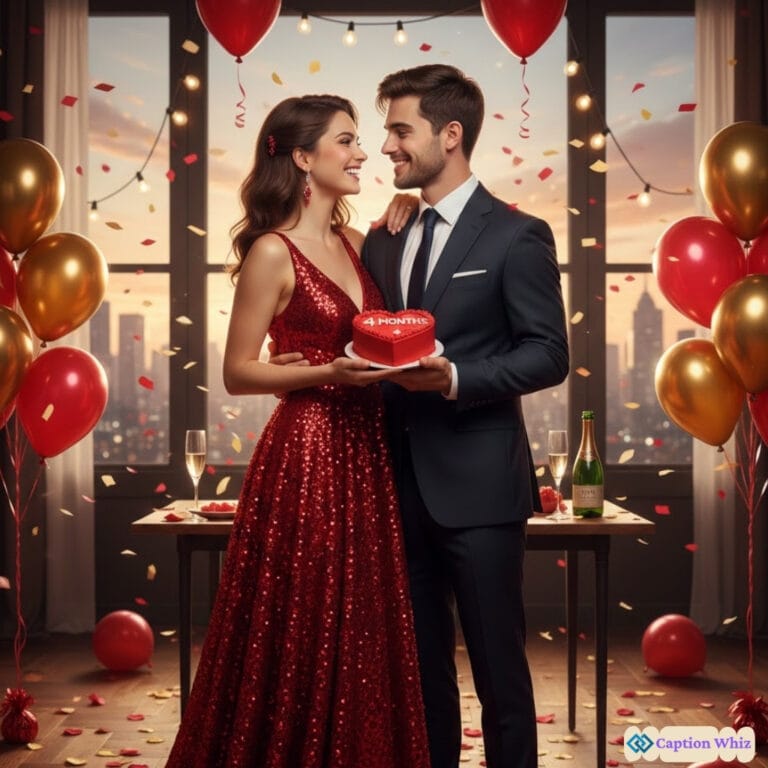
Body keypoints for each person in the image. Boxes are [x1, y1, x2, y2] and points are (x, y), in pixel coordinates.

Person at [165, 94, 430, 768]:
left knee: (364, 618)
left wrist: (409, 212)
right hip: (308, 454)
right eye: (347, 141)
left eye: (361, 140)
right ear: (305, 157)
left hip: (369, 449)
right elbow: (236, 372)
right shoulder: (270, 254)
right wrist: (323, 375)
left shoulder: (360, 242)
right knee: (307, 620)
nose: (363, 152)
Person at [360, 65, 570, 768]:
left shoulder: (518, 235)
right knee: (420, 681)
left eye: (399, 129)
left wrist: (453, 377)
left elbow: (547, 355)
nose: (386, 146)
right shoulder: (385, 238)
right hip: (395, 489)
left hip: (480, 493)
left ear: (450, 135)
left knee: (500, 681)